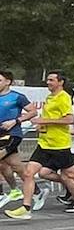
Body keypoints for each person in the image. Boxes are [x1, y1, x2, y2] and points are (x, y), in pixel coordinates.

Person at [6, 71, 74, 219]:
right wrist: (41, 126)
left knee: (71, 173)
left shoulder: (63, 97)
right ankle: (26, 208)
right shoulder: (50, 97)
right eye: (47, 80)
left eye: (51, 80)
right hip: (44, 143)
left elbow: (69, 120)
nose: (48, 82)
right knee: (28, 173)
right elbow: (49, 118)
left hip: (60, 144)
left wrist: (43, 121)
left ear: (61, 82)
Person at [0, 71, 36, 206]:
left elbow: (33, 112)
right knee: (15, 166)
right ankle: (36, 191)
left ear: (8, 82)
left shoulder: (17, 97)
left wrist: (15, 121)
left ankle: (1, 194)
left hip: (12, 135)